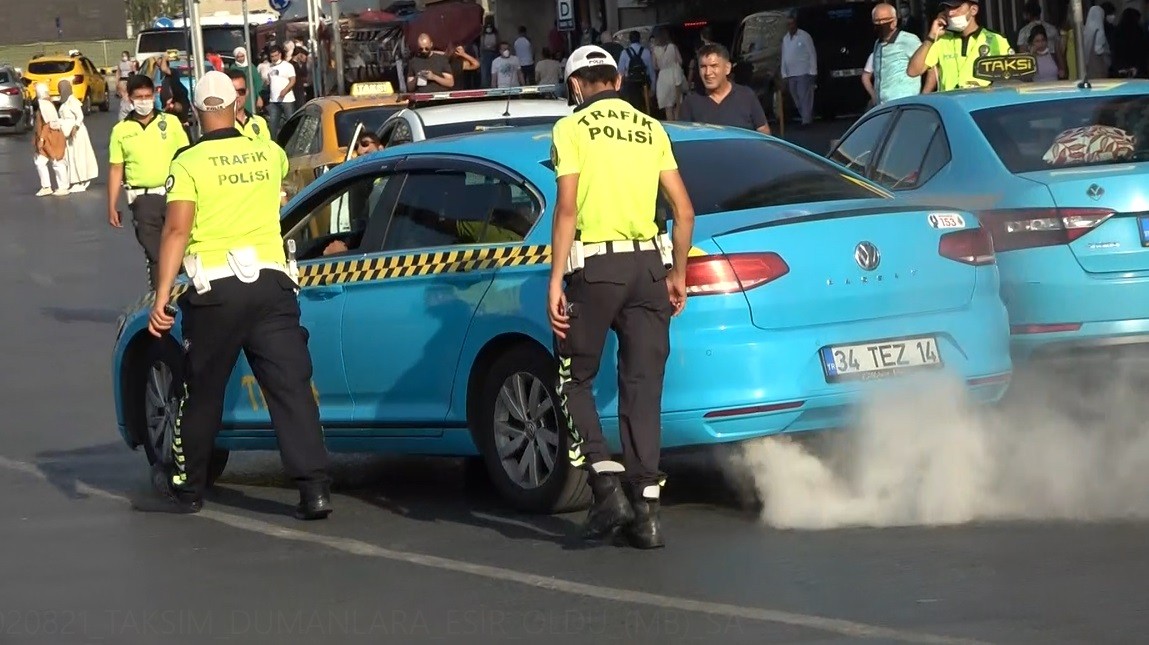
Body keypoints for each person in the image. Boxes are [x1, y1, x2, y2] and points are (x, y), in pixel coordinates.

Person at [144, 71, 333, 519]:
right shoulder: (268, 153)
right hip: (272, 285)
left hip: (215, 291)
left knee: (202, 390)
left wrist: (162, 295)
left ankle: (187, 487)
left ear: (195, 112)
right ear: (235, 107)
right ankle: (314, 489)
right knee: (290, 388)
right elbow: (284, 185)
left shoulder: (187, 162)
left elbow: (176, 229)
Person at [548, 45, 695, 549]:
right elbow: (684, 210)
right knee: (642, 388)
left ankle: (605, 485)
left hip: (598, 268)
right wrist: (677, 272)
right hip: (650, 269)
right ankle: (647, 514)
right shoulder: (652, 127)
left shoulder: (571, 129)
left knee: (572, 377)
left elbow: (567, 208)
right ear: (616, 79)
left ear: (574, 87)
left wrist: (553, 280)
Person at [107, 74, 190, 290]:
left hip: (175, 196)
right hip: (143, 199)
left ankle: (182, 296)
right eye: (139, 97)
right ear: (130, 99)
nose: (144, 101)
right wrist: (112, 205)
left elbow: (186, 157)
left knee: (181, 251)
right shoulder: (121, 131)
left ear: (154, 95)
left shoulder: (170, 123)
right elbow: (116, 168)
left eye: (147, 96)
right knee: (156, 255)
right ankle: (159, 301)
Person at [907, 0, 1012, 91]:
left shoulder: (995, 39)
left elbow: (1010, 78)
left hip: (982, 106)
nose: (950, 12)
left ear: (973, 10)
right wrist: (930, 37)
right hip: (950, 106)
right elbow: (913, 71)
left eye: (956, 7)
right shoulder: (941, 39)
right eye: (947, 7)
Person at [679, 44, 770, 135]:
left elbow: (763, 132)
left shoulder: (746, 96)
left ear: (727, 68)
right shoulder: (691, 103)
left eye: (714, 66)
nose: (708, 73)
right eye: (703, 67)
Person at [867, 3, 936, 106]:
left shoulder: (908, 40)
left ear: (894, 21)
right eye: (877, 21)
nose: (881, 23)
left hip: (906, 105)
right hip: (883, 106)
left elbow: (931, 67)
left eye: (885, 20)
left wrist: (923, 97)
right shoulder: (878, 43)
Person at [56, 80, 98, 193]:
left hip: (77, 133)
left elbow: (79, 116)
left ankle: (82, 180)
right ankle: (76, 181)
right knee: (71, 157)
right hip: (68, 134)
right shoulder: (64, 102)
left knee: (79, 156)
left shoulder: (72, 101)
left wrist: (75, 126)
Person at [781, 10, 818, 126]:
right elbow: (784, 56)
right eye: (788, 24)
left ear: (795, 24)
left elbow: (812, 53)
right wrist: (784, 74)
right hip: (791, 74)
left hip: (803, 72)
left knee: (804, 97)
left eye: (792, 24)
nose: (790, 26)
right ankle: (805, 116)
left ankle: (806, 120)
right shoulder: (786, 39)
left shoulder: (804, 36)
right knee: (796, 98)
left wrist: (813, 71)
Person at [32, 83, 68, 197]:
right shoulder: (44, 104)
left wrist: (41, 139)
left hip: (52, 137)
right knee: (40, 162)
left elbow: (48, 124)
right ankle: (46, 186)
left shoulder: (45, 105)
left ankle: (63, 186)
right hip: (45, 137)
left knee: (57, 161)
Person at [226, 69, 271, 140]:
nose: (237, 95)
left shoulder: (260, 121)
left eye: (241, 91)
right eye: (232, 91)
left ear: (247, 92)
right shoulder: (221, 126)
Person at [617, 31, 655, 114]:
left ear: (630, 40)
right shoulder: (646, 52)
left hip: (630, 84)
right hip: (644, 83)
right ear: (639, 39)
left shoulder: (624, 53)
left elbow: (620, 72)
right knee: (646, 108)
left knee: (632, 107)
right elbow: (651, 71)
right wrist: (652, 88)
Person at [651, 28, 685, 120]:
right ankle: (679, 125)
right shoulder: (673, 47)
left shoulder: (655, 50)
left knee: (668, 107)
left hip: (663, 78)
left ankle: (672, 127)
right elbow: (680, 61)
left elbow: (654, 66)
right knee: (677, 105)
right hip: (674, 75)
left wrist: (662, 65)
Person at [266, 45, 297, 136]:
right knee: (273, 125)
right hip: (274, 100)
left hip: (287, 100)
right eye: (272, 56)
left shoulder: (287, 66)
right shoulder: (270, 67)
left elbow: (293, 80)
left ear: (280, 55)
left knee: (290, 124)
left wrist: (285, 90)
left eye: (276, 55)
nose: (274, 58)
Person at [230, 47, 264, 116]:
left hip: (251, 96)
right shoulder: (233, 67)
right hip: (238, 95)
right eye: (238, 57)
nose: (240, 59)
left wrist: (259, 98)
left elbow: (257, 82)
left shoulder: (251, 67)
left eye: (242, 56)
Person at [1083, 5, 1113, 78]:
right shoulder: (1099, 30)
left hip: (1088, 67)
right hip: (1098, 67)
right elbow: (1098, 50)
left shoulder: (1085, 30)